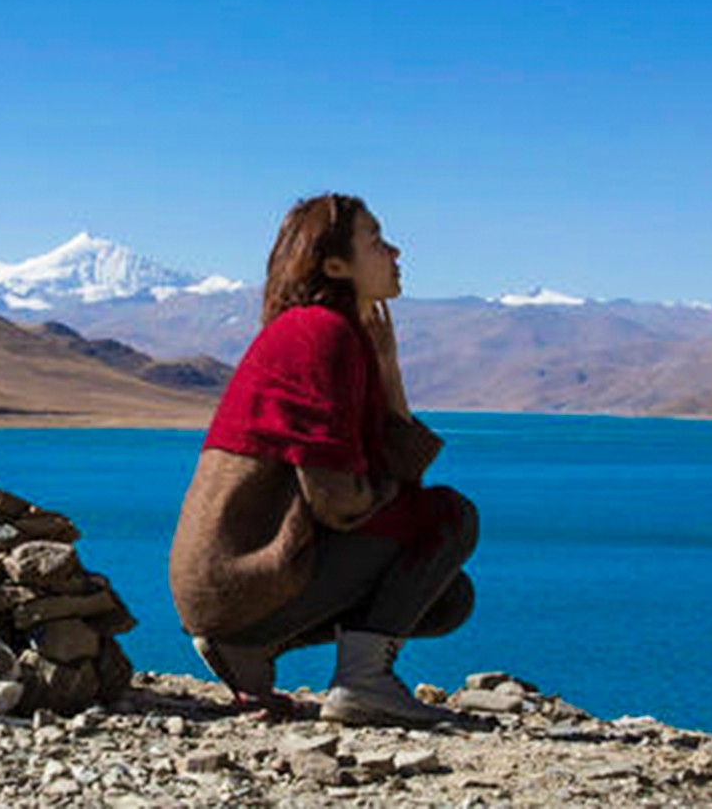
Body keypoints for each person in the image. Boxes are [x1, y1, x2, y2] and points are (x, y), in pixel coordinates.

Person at [168, 193, 479, 727]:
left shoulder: (338, 334)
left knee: (447, 596)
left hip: (228, 584)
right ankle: (362, 684)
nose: (395, 251)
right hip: (238, 577)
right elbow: (339, 500)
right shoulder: (321, 333)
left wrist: (389, 372)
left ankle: (249, 649)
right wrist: (398, 499)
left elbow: (385, 477)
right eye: (377, 240)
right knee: (450, 516)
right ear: (335, 264)